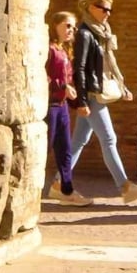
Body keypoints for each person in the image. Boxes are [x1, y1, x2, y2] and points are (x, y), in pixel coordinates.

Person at [71, 0, 137, 203]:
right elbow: (78, 68)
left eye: (110, 9)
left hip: (94, 92)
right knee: (109, 139)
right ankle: (125, 187)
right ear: (91, 7)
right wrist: (80, 101)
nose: (108, 13)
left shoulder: (101, 33)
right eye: (103, 9)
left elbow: (108, 64)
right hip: (91, 94)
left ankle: (59, 183)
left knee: (79, 140)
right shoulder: (85, 34)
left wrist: (121, 85)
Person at [43, 11, 93, 205]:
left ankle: (66, 190)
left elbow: (69, 80)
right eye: (67, 25)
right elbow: (41, 75)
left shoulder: (63, 50)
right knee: (44, 149)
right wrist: (62, 87)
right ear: (55, 26)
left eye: (73, 26)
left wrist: (78, 104)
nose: (72, 30)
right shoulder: (48, 50)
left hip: (62, 106)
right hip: (49, 106)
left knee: (65, 150)